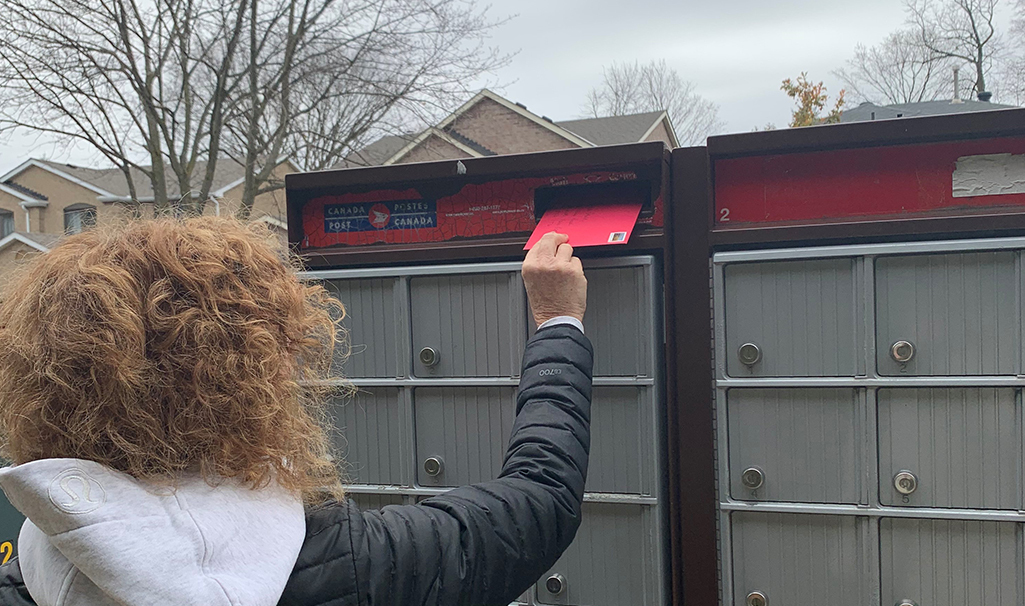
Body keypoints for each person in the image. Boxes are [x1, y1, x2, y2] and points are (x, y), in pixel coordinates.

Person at [0, 218, 592, 606]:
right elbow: (539, 500)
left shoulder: (31, 574)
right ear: (251, 380)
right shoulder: (349, 569)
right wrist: (558, 322)